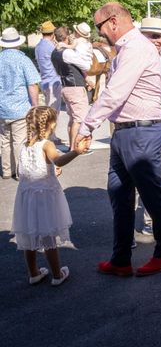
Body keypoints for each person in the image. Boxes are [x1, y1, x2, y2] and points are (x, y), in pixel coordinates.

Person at [77, 2, 161, 277]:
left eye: (98, 27)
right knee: (119, 195)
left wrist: (86, 127)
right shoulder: (128, 48)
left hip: (141, 132)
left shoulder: (135, 47)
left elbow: (114, 93)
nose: (100, 33)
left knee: (151, 195)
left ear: (112, 22)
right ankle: (120, 258)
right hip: (126, 131)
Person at [10, 106, 90, 286]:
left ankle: (34, 273)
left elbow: (27, 170)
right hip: (44, 197)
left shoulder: (25, 145)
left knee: (29, 236)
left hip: (26, 197)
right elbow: (58, 159)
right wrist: (76, 151)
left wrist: (51, 170)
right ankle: (56, 274)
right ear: (52, 124)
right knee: (48, 236)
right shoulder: (47, 144)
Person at [136, 17, 161, 235]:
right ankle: (133, 219)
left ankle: (151, 218)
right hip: (139, 122)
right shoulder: (131, 58)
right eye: (155, 36)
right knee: (138, 174)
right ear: (143, 36)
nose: (159, 40)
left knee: (159, 174)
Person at [0, 27, 41, 180]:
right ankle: (19, 172)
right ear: (17, 42)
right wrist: (35, 105)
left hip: (2, 108)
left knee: (4, 140)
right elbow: (32, 84)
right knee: (19, 141)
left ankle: (6, 170)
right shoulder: (23, 59)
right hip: (19, 107)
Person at [51, 27, 91, 153]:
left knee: (72, 118)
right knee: (79, 119)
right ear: (67, 37)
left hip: (65, 86)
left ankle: (71, 146)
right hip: (75, 87)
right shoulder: (67, 53)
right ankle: (75, 148)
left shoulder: (54, 52)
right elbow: (86, 65)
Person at [34, 21, 62, 141]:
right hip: (53, 81)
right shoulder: (51, 47)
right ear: (52, 33)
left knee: (49, 108)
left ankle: (50, 134)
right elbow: (60, 60)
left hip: (44, 80)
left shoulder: (38, 46)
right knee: (53, 111)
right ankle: (51, 136)